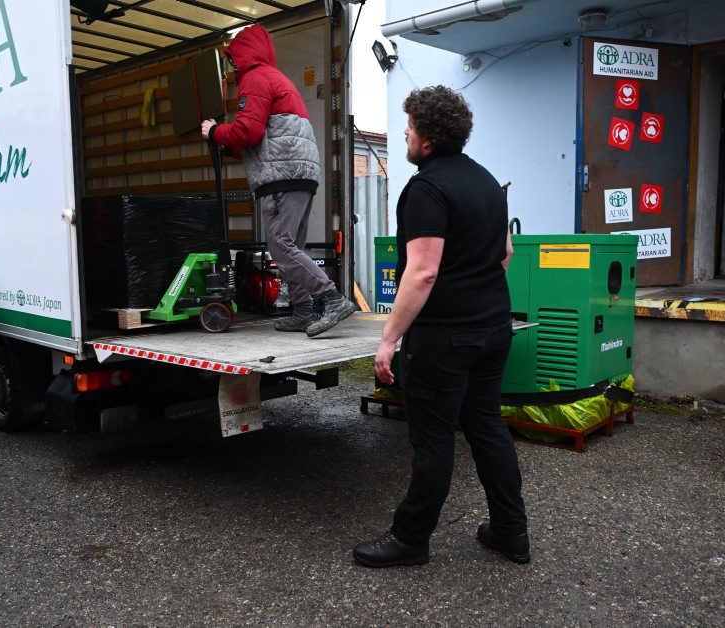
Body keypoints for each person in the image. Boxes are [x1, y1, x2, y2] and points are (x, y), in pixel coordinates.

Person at [353, 86, 529, 568]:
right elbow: (505, 255)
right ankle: (511, 532)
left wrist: (388, 340)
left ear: (427, 140)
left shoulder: (427, 188)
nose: (404, 132)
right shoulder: (488, 182)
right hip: (493, 329)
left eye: (409, 125)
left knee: (432, 439)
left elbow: (423, 271)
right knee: (487, 427)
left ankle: (410, 539)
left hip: (445, 339)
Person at [201, 25, 357, 337]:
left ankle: (331, 298)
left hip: (282, 176)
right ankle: (301, 310)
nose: (232, 66)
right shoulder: (276, 77)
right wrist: (228, 145)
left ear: (244, 55)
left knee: (282, 245)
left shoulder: (255, 78)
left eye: (233, 59)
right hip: (299, 172)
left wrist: (215, 131)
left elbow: (249, 131)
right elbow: (266, 135)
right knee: (290, 246)